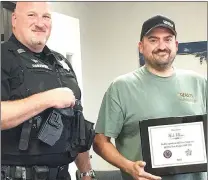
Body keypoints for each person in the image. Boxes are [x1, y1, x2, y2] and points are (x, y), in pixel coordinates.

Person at [93, 15, 207, 180]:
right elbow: (100, 142)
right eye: (153, 40)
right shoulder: (121, 87)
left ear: (176, 45)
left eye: (167, 39)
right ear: (141, 46)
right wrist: (129, 167)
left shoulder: (199, 83)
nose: (162, 46)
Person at [1, 2, 95, 180]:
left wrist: (86, 172)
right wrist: (47, 99)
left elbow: (76, 123)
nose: (40, 23)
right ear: (14, 19)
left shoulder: (62, 63)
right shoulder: (3, 56)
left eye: (46, 17)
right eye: (31, 15)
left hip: (62, 174)